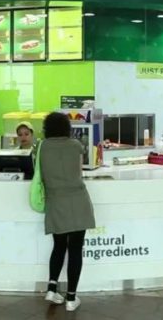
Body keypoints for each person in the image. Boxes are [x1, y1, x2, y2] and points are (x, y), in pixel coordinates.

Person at [39, 112, 95, 311]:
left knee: (59, 245)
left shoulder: (42, 146)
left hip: (55, 201)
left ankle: (52, 288)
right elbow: (79, 172)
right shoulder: (76, 145)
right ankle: (71, 298)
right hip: (78, 200)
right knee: (76, 249)